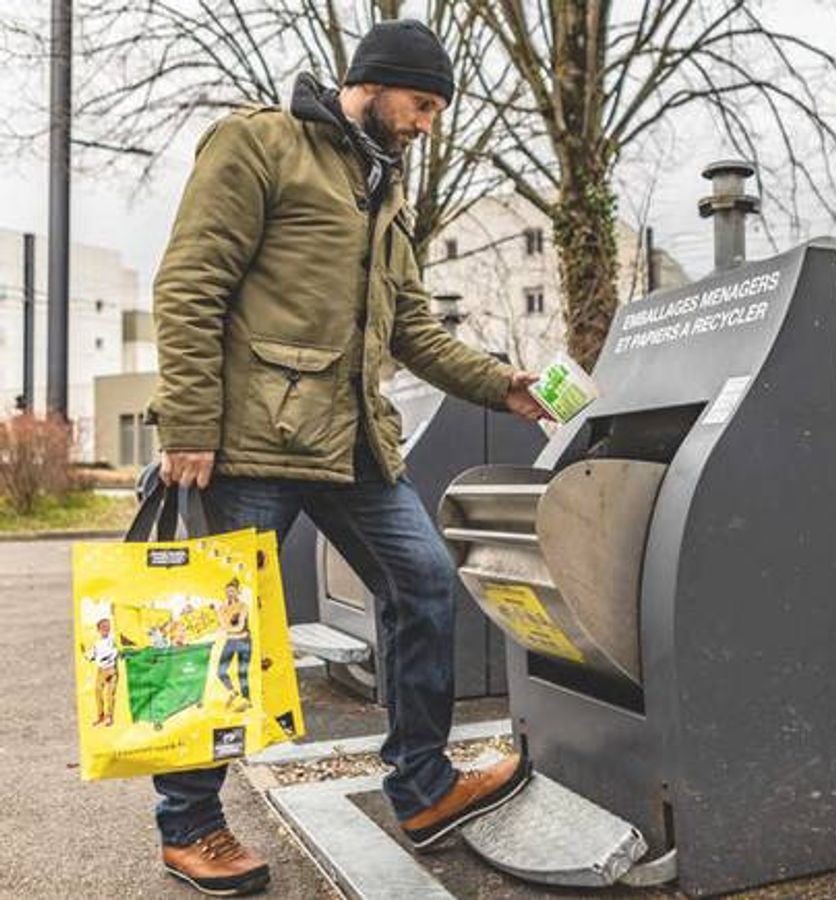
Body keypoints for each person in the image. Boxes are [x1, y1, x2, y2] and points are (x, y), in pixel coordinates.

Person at [145, 19, 546, 896]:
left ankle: (422, 785)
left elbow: (411, 329)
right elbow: (189, 283)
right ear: (372, 81)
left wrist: (501, 384)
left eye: (438, 109)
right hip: (248, 442)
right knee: (220, 635)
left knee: (424, 581)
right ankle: (191, 826)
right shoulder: (261, 144)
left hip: (352, 443)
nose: (428, 122)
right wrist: (187, 425)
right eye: (422, 102)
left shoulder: (383, 190)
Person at [213, 578, 251, 711]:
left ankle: (247, 700)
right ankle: (233, 692)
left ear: (237, 592)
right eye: (228, 591)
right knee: (220, 671)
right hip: (230, 641)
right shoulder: (222, 608)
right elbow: (221, 625)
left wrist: (225, 630)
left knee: (242, 673)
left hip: (243, 642)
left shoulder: (243, 606)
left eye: (232, 591)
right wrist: (221, 620)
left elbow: (240, 626)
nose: (230, 593)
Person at [85, 617, 118, 727]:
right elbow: (91, 656)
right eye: (103, 627)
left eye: (107, 627)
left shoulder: (113, 639)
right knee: (98, 692)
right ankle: (101, 716)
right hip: (101, 671)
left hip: (112, 669)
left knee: (110, 695)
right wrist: (86, 654)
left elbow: (116, 650)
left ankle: (110, 717)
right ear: (98, 630)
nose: (106, 629)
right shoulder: (97, 643)